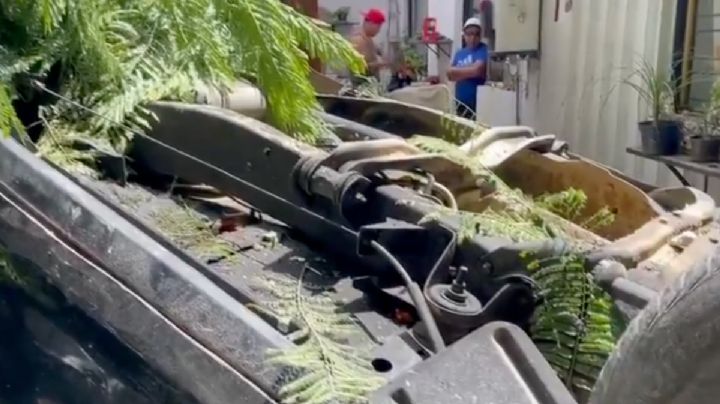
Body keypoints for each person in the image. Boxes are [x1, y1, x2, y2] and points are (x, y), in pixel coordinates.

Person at [447, 17, 489, 119]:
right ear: (464, 35)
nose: (473, 38)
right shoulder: (460, 53)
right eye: (469, 34)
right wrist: (470, 70)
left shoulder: (483, 50)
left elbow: (478, 70)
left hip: (477, 103)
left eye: (476, 34)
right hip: (460, 102)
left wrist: (459, 73)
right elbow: (449, 74)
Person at [349, 8, 389, 84]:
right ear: (370, 23)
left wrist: (383, 54)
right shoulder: (358, 41)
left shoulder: (368, 38)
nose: (379, 31)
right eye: (378, 27)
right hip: (361, 87)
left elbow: (376, 49)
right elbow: (359, 66)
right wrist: (379, 64)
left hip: (370, 84)